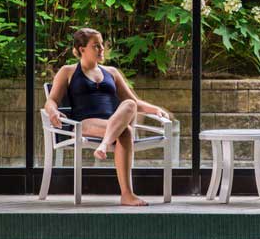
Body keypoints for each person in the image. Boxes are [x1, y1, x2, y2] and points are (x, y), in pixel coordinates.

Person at [45, 28, 172, 207]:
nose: (102, 49)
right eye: (96, 46)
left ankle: (107, 148)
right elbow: (51, 101)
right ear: (82, 50)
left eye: (102, 45)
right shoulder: (68, 71)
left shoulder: (111, 72)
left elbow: (135, 101)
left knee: (129, 105)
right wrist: (53, 112)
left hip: (112, 124)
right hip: (85, 123)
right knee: (125, 131)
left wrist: (155, 110)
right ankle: (127, 193)